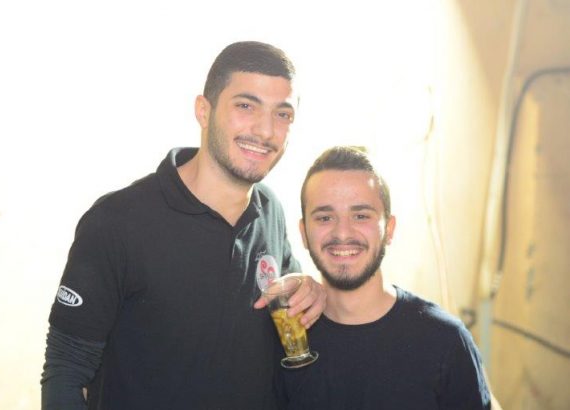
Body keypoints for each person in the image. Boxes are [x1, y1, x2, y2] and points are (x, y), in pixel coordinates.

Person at [41, 41, 326, 410]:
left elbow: (285, 304)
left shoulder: (270, 209)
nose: (265, 130)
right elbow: (65, 371)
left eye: (283, 114)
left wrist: (309, 290)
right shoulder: (116, 222)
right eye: (245, 106)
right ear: (203, 111)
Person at [277, 146, 492, 409]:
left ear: (389, 229)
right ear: (303, 233)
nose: (342, 233)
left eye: (360, 216)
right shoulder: (284, 341)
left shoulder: (445, 342)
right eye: (325, 217)